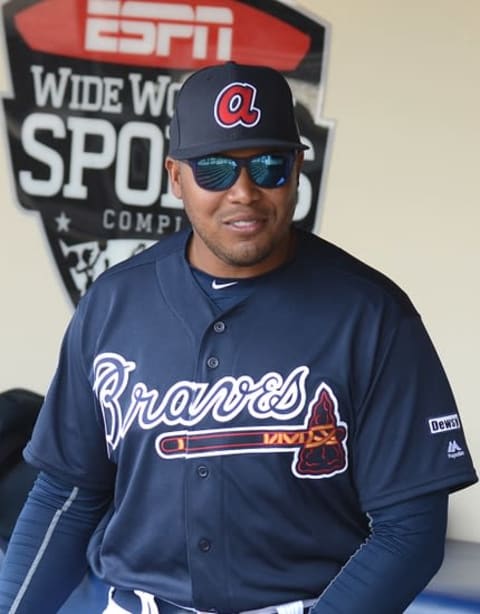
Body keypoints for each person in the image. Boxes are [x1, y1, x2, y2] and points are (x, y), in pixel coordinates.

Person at [0, 61, 477, 614]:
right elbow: (68, 494)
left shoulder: (371, 314)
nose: (245, 192)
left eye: (269, 165)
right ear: (176, 176)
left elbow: (409, 531)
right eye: (216, 170)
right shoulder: (113, 303)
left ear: (298, 168)